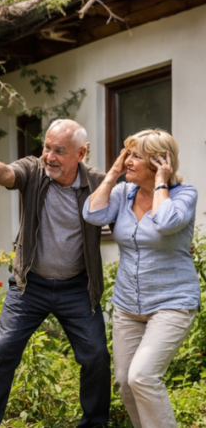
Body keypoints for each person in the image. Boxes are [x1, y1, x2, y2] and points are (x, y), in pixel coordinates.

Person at [0, 119, 111, 428]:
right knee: (2, 350)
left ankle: (95, 424)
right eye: (46, 148)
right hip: (30, 285)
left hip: (77, 288)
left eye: (59, 151)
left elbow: (133, 203)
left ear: (81, 153)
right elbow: (7, 173)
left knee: (96, 357)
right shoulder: (35, 171)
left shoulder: (97, 184)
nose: (49, 156)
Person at [83, 129, 198, 428]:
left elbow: (165, 222)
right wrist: (112, 174)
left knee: (143, 376)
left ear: (159, 162)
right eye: (127, 154)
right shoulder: (123, 193)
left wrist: (161, 182)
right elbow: (93, 215)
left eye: (135, 156)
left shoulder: (184, 195)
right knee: (124, 382)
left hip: (171, 302)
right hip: (128, 306)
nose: (128, 162)